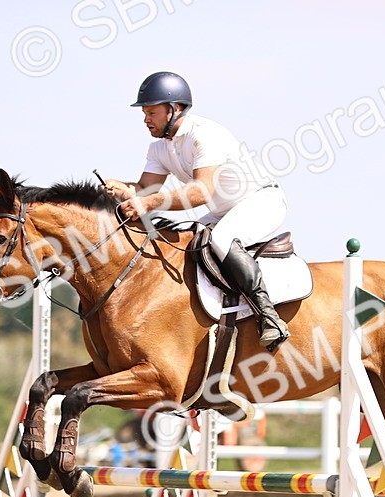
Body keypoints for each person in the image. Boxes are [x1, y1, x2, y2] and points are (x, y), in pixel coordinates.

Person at [101, 71, 290, 351]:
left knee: (221, 239)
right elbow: (145, 189)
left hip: (260, 201)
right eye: (144, 113)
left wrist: (147, 202)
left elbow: (200, 192)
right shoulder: (159, 148)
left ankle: (269, 316)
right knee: (186, 246)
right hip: (224, 210)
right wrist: (122, 189)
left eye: (151, 112)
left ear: (174, 109)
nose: (145, 119)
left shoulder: (205, 135)